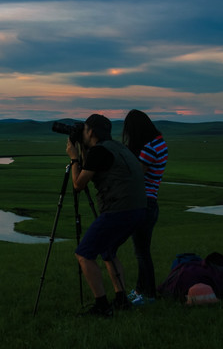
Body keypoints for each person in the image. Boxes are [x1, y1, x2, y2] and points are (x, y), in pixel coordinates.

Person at [66, 114, 146, 317]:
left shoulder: (99, 152)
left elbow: (78, 184)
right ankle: (121, 299)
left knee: (84, 254)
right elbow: (95, 166)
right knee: (108, 251)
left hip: (119, 210)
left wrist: (74, 157)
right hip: (138, 210)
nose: (82, 133)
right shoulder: (118, 147)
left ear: (90, 131)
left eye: (84, 129)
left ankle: (102, 306)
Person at [122, 109, 168, 305]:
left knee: (142, 252)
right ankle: (141, 290)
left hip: (143, 203)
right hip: (151, 201)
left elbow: (137, 175)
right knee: (142, 250)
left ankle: (148, 294)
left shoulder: (149, 148)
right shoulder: (159, 142)